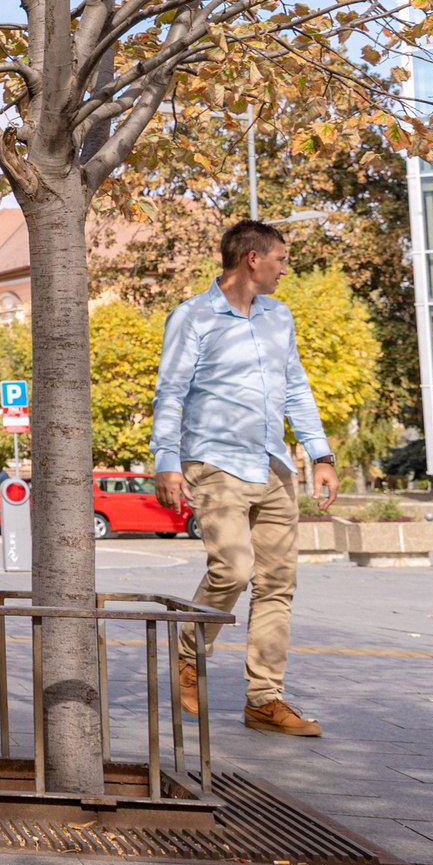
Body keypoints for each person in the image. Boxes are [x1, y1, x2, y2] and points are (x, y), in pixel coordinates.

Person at [152, 218, 337, 738]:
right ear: (252, 259)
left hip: (273, 464)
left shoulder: (280, 317)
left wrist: (319, 454)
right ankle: (187, 653)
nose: (285, 267)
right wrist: (166, 459)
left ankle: (264, 699)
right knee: (232, 568)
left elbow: (296, 387)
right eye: (280, 258)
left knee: (277, 584)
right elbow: (170, 392)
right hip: (214, 461)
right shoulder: (193, 317)